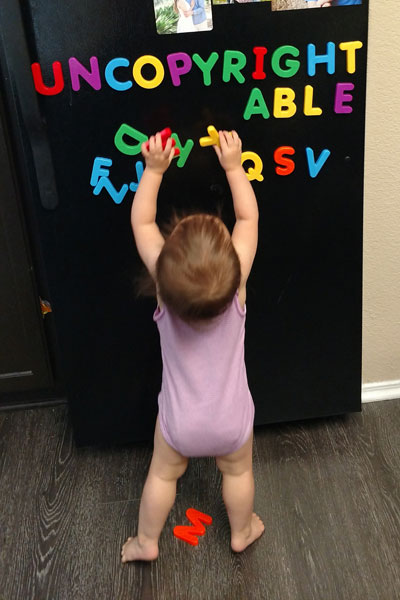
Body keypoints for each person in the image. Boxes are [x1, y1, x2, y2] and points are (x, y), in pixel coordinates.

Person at [121, 130, 263, 562]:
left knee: (163, 477)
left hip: (178, 422)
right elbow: (248, 220)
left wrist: (154, 170)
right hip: (232, 419)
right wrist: (235, 167)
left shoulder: (165, 290)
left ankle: (147, 542)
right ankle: (242, 530)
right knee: (237, 472)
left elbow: (142, 222)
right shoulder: (236, 287)